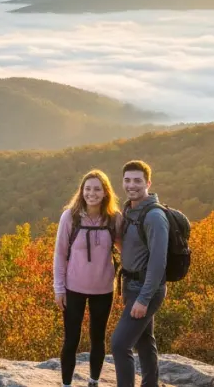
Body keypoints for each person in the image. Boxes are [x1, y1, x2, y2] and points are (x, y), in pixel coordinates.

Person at [53, 169, 123, 387]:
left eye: (97, 189)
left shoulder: (114, 219)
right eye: (88, 188)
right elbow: (60, 253)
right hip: (73, 288)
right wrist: (59, 288)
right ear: (81, 191)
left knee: (98, 338)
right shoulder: (70, 217)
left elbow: (126, 251)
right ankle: (66, 384)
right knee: (71, 339)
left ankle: (93, 381)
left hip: (103, 289)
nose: (91, 193)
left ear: (105, 193)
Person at [110, 160, 169, 387]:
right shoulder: (130, 210)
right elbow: (131, 249)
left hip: (147, 289)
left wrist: (144, 299)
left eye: (137, 180)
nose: (131, 185)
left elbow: (157, 262)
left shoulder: (154, 217)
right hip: (131, 285)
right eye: (127, 180)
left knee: (119, 344)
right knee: (144, 340)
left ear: (148, 183)